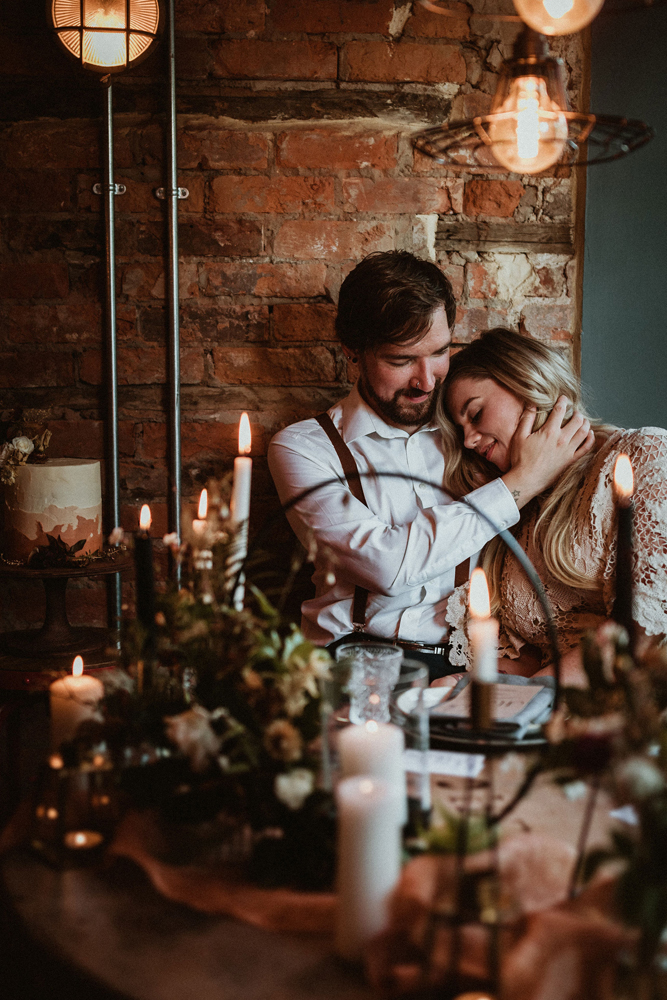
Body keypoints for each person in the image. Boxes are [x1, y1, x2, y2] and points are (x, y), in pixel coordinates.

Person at [268, 252, 594, 678]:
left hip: (466, 664)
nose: (426, 381)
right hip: (351, 660)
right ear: (353, 351)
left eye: (439, 352)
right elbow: (385, 566)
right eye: (401, 361)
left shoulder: (478, 431)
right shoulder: (304, 448)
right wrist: (522, 482)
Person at [437, 327, 667, 684]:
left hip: (633, 703)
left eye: (476, 414)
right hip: (553, 705)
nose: (468, 440)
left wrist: (534, 696)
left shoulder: (640, 454)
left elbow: (645, 627)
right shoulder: (517, 506)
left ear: (525, 383)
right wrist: (474, 684)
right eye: (461, 427)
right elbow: (536, 654)